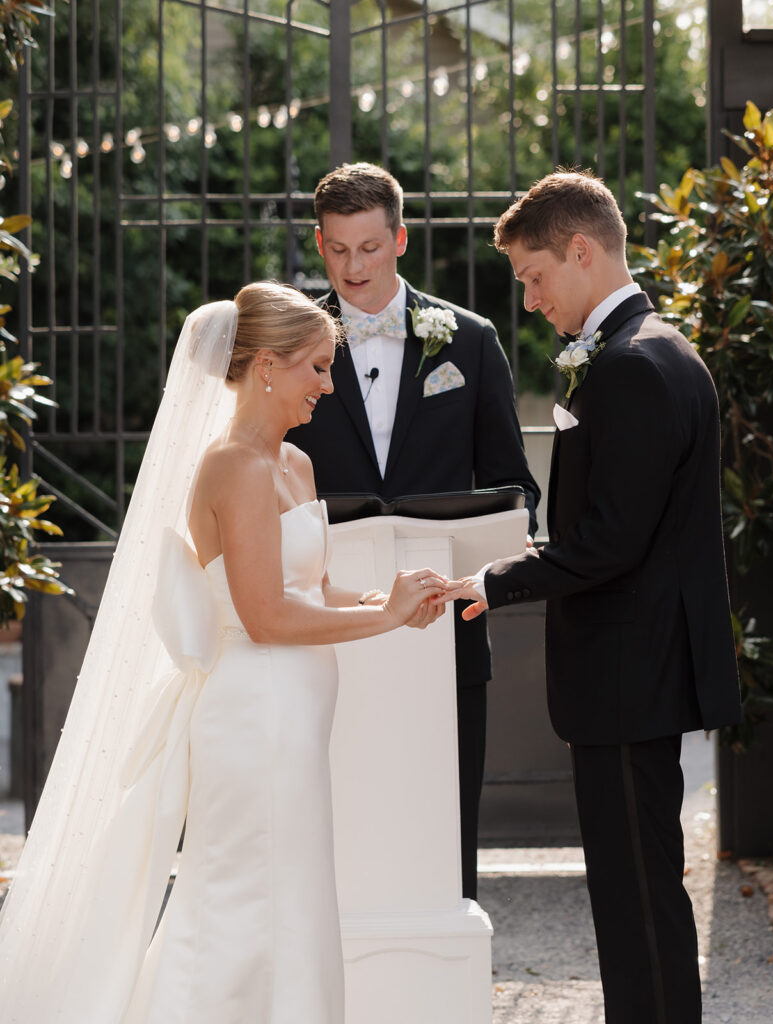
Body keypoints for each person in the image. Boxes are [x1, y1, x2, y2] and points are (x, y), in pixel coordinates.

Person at [0, 281, 446, 1024]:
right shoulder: (231, 467)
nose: (326, 386)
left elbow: (315, 587)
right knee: (239, 897)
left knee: (291, 892)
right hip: (252, 716)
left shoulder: (294, 465)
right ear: (265, 365)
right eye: (315, 367)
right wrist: (385, 622)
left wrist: (388, 600)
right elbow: (266, 617)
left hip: (294, 718)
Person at [440, 171, 742, 1023]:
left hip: (625, 674)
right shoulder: (658, 349)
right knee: (639, 885)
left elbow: (611, 541)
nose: (530, 300)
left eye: (534, 277)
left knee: (635, 891)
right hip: (638, 670)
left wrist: (496, 580)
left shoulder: (632, 368)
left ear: (580, 250)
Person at [287, 162, 540, 900]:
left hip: (444, 623)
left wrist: (489, 559)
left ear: (399, 239)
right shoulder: (289, 342)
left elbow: (514, 487)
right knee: (340, 816)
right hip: (331, 622)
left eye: (368, 247)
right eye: (337, 250)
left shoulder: (468, 340)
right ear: (319, 242)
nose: (353, 267)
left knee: (443, 819)